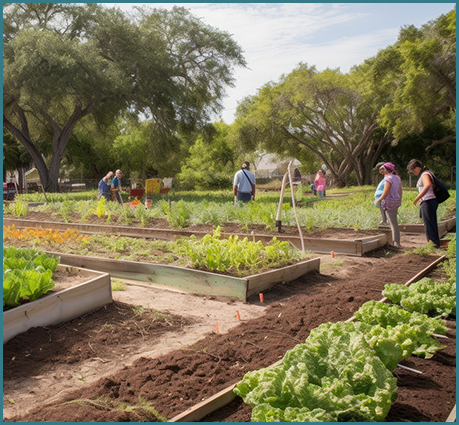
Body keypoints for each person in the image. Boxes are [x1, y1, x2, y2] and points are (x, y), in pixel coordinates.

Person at [407, 159, 440, 248]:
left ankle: (432, 244)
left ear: (418, 167)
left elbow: (428, 185)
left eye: (413, 171)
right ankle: (434, 243)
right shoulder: (428, 173)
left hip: (428, 201)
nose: (414, 173)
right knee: (431, 223)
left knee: (429, 224)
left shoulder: (425, 174)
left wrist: (417, 198)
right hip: (430, 201)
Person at [375, 162, 402, 248]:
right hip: (396, 201)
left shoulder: (388, 178)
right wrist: (400, 200)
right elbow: (400, 190)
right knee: (394, 222)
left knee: (393, 224)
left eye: (383, 169)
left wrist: (378, 199)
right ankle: (395, 241)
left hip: (389, 202)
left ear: (386, 169)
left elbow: (386, 192)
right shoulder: (397, 177)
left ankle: (396, 243)